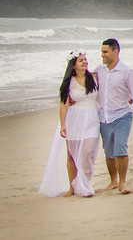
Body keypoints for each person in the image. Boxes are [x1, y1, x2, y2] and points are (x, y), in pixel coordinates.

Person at [38, 50, 101, 197]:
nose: (85, 62)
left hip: (92, 119)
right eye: (81, 60)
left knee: (88, 152)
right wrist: (63, 125)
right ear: (73, 65)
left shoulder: (95, 78)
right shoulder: (69, 83)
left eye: (85, 59)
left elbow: (106, 93)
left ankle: (84, 184)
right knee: (71, 155)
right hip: (74, 120)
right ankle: (72, 187)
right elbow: (64, 104)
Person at [96, 38, 133, 194]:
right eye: (101, 52)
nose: (102, 55)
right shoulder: (99, 70)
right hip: (104, 117)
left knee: (120, 147)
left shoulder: (127, 71)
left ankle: (123, 182)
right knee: (108, 151)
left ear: (115, 52)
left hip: (123, 115)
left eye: (105, 52)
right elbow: (86, 84)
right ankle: (113, 181)